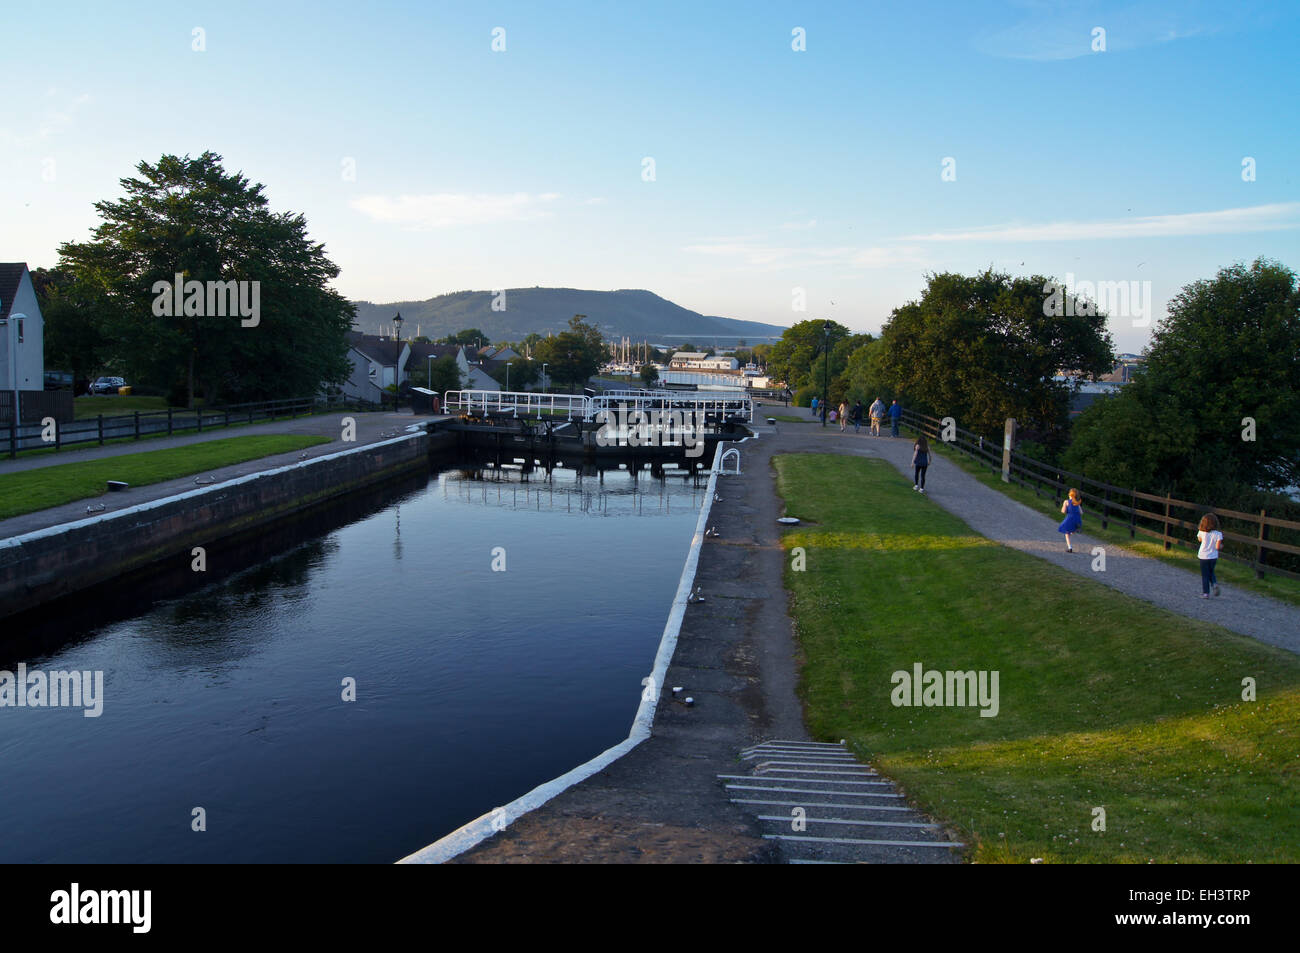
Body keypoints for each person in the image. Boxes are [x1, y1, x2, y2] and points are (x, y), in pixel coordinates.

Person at [1196, 513, 1224, 598]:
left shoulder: (1201, 532)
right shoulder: (1218, 534)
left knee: (1205, 575)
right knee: (1211, 571)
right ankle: (1214, 584)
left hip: (1203, 556)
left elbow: (1199, 540)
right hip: (1213, 556)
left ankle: (1206, 593)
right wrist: (1221, 546)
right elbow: (1217, 547)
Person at [1058, 488, 1083, 552]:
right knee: (1071, 531)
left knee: (1066, 532)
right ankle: (1074, 531)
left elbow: (1063, 511)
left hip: (1070, 518)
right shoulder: (1077, 503)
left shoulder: (1066, 502)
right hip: (1078, 519)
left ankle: (1070, 548)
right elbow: (1081, 512)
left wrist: (1066, 509)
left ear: (1070, 494)